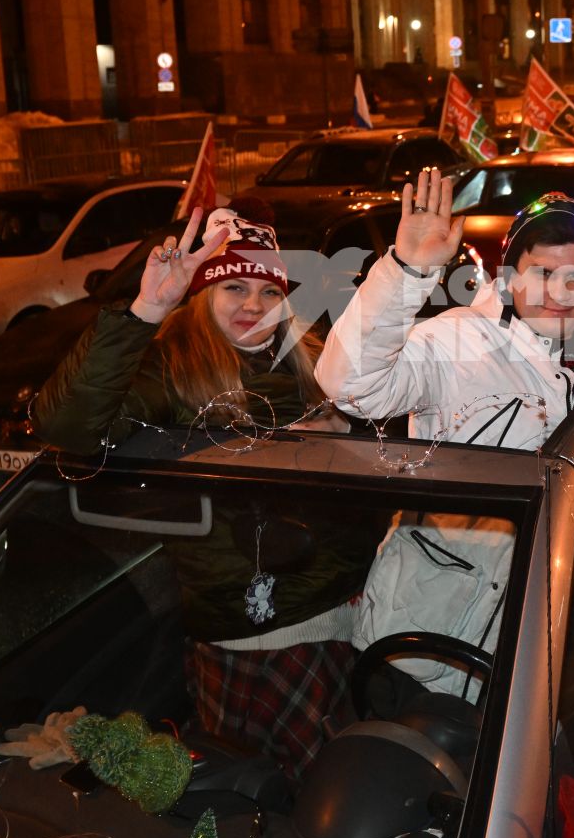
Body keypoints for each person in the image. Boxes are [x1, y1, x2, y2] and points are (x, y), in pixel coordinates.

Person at [34, 202, 372, 780]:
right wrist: (146, 309)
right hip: (229, 638)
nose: (252, 306)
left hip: (332, 629)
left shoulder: (317, 363)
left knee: (322, 797)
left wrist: (349, 430)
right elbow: (67, 428)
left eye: (268, 292)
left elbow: (397, 450)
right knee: (234, 799)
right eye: (233, 287)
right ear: (201, 295)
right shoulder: (171, 367)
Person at [317, 174, 574, 697]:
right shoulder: (455, 341)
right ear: (509, 276)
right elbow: (350, 387)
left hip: (554, 632)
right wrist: (408, 270)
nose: (561, 292)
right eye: (542, 272)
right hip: (432, 641)